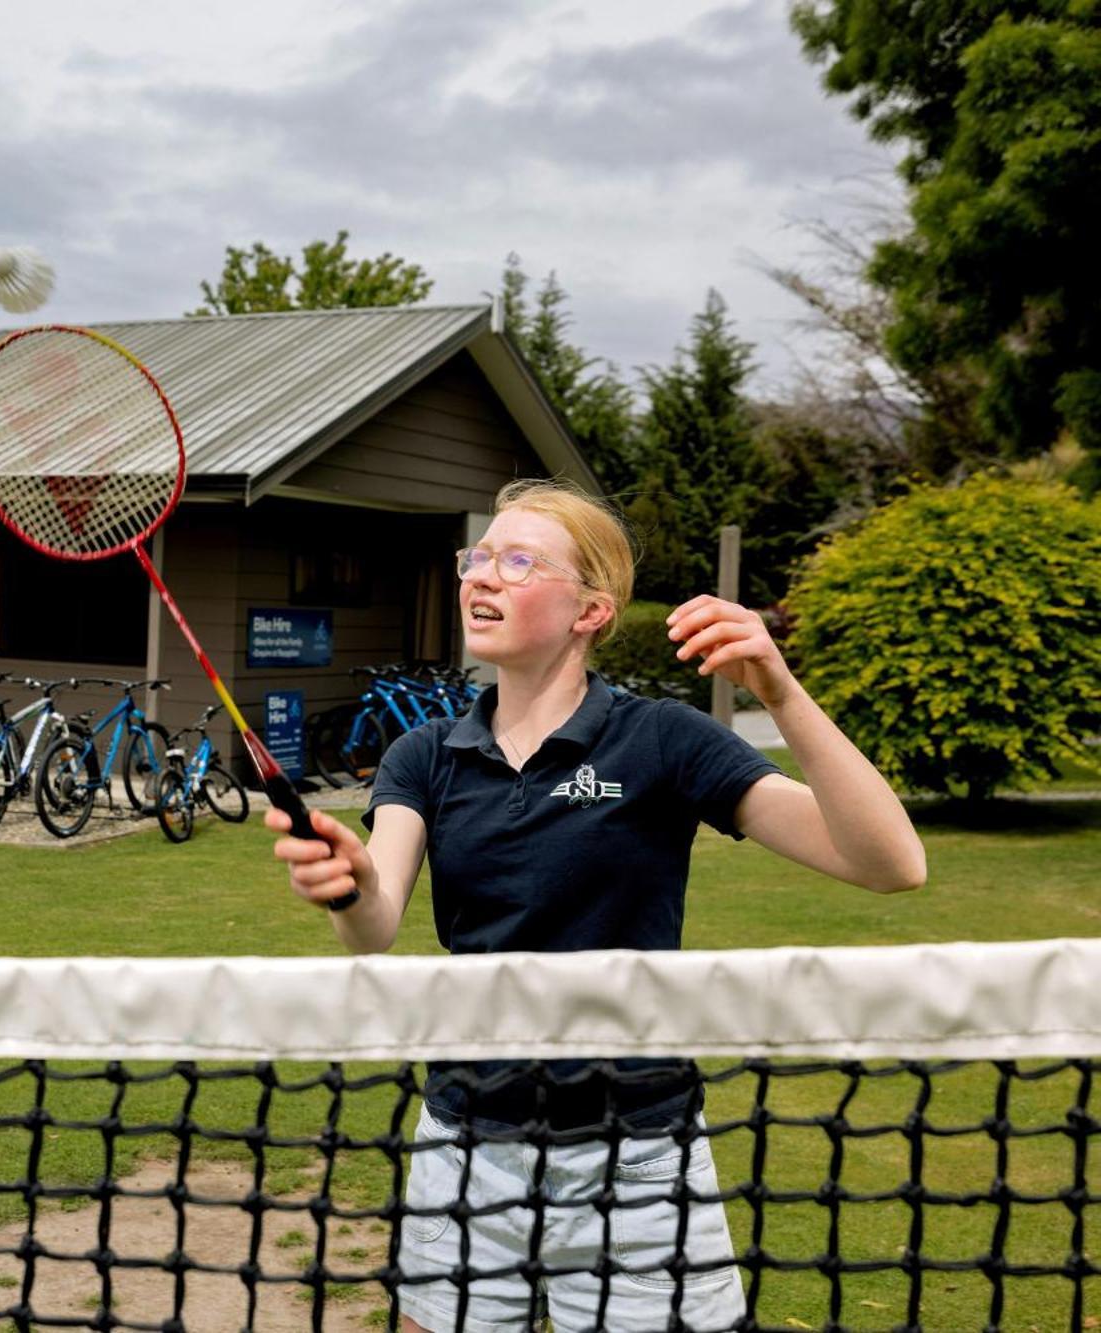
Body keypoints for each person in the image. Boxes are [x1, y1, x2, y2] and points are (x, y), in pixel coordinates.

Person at [267, 479, 925, 1332]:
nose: (482, 577)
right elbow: (375, 924)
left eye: (518, 560)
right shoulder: (422, 754)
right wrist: (349, 880)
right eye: (479, 557)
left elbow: (889, 863)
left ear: (591, 610)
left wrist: (781, 692)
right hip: (468, 1140)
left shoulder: (663, 739)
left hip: (639, 1151)